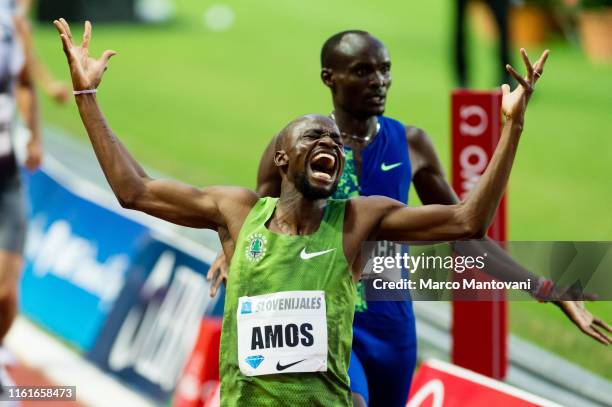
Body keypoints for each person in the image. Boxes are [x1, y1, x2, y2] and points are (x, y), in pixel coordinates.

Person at [54, 17, 560, 405]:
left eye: (335, 142)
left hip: (385, 328)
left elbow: (466, 223)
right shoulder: (237, 211)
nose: (329, 144)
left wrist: (511, 128)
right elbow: (135, 190)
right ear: (281, 156)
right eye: (313, 137)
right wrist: (86, 93)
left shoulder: (359, 219)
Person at [208, 31, 612, 406]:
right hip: (320, 319)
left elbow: (465, 231)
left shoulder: (411, 144)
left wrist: (547, 289)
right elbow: (253, 222)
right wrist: (230, 253)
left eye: (385, 70)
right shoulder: (297, 148)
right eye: (363, 71)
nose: (379, 81)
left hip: (391, 323)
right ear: (329, 78)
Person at [0, 0, 42, 384]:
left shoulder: (11, 24)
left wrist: (34, 138)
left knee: (5, 288)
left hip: (6, 174)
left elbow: (25, 80)